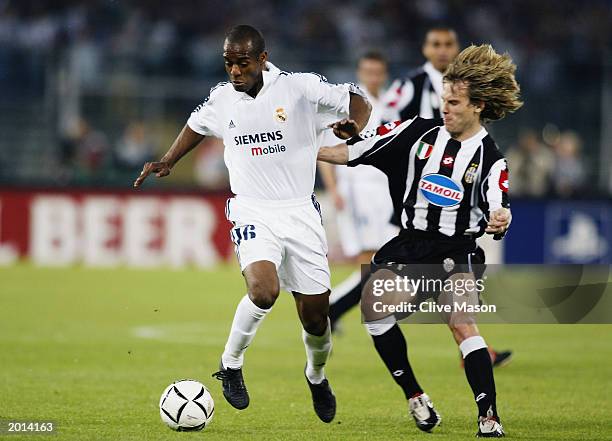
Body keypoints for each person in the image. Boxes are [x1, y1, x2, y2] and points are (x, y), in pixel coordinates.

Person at [133, 25, 371, 423]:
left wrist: (356, 127)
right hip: (252, 210)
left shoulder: (299, 88)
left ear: (262, 59)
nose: (234, 71)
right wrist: (169, 160)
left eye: (242, 63)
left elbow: (357, 100)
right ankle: (231, 364)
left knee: (315, 317)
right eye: (228, 63)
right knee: (263, 291)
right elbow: (196, 124)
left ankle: (316, 375)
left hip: (299, 212)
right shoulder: (222, 98)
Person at [317, 44, 523, 437]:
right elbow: (354, 149)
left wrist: (500, 218)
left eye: (455, 102)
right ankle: (415, 395)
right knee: (375, 313)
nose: (446, 108)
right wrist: (299, 151)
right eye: (445, 99)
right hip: (410, 245)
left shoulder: (491, 158)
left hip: (457, 250)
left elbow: (500, 204)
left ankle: (489, 418)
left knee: (462, 325)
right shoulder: (415, 131)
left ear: (478, 105)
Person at [317, 51, 397, 331]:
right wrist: (333, 188)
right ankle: (341, 311)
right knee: (371, 260)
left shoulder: (392, 104)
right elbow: (326, 149)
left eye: (378, 72)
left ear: (384, 74)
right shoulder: (349, 104)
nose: (373, 77)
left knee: (381, 260)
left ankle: (333, 310)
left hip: (385, 190)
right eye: (368, 71)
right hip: (357, 190)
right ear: (360, 73)